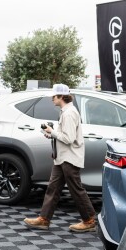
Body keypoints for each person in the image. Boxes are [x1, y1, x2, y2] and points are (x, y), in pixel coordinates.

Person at [23, 83, 96, 233]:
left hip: (69, 158)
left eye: (54, 96)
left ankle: (89, 220)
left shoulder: (69, 113)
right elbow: (67, 136)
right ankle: (44, 219)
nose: (52, 99)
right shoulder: (67, 111)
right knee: (53, 188)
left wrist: (53, 132)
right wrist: (52, 134)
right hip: (62, 158)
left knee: (75, 189)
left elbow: (68, 138)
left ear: (62, 97)